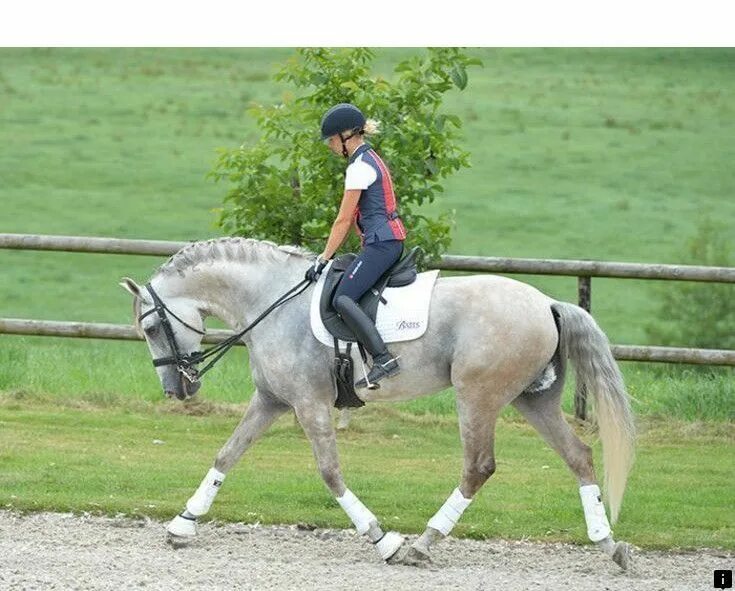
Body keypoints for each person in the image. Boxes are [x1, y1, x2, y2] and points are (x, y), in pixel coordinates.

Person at [305, 103, 407, 388]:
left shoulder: (360, 168)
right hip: (386, 241)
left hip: (382, 244)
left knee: (343, 298)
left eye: (331, 140)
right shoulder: (370, 158)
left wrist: (323, 258)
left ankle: (383, 358)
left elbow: (343, 220)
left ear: (345, 136)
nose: (330, 146)